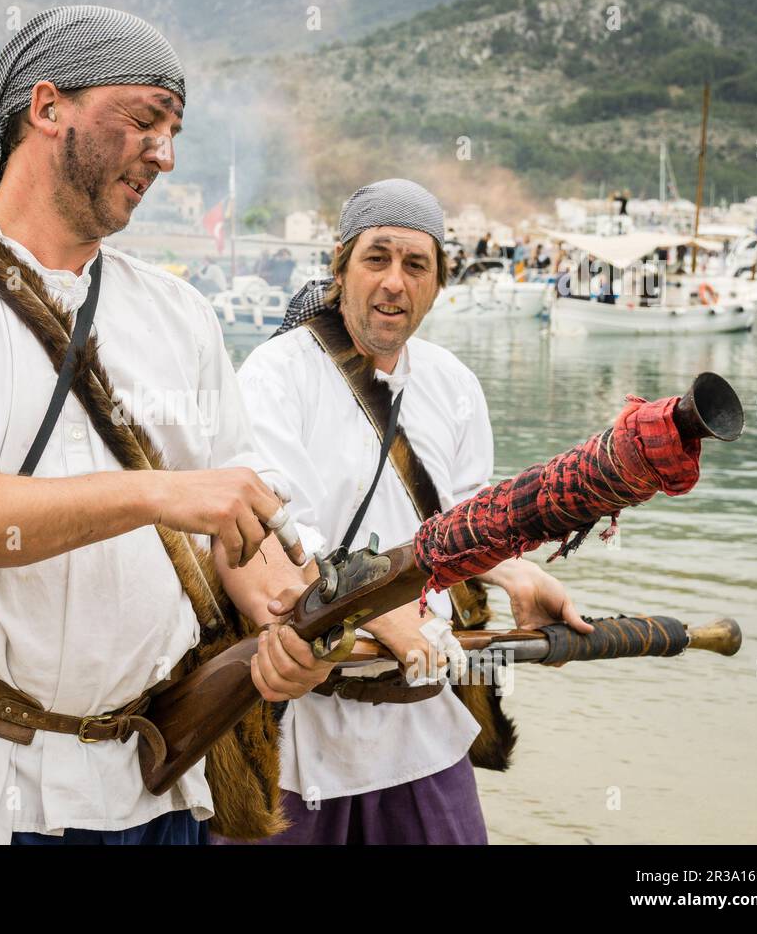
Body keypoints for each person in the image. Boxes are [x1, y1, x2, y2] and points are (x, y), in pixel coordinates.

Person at [0, 5, 330, 846]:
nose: (166, 156)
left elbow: (237, 534)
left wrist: (290, 622)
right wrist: (157, 493)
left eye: (175, 132)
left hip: (153, 789)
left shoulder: (183, 315)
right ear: (47, 107)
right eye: (144, 120)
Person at [229, 179, 587, 844]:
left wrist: (517, 575)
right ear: (340, 268)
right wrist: (372, 603)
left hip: (423, 723)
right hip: (301, 720)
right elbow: (271, 534)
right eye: (376, 259)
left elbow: (464, 529)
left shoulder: (454, 386)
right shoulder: (274, 375)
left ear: (438, 283)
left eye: (415, 265)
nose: (394, 282)